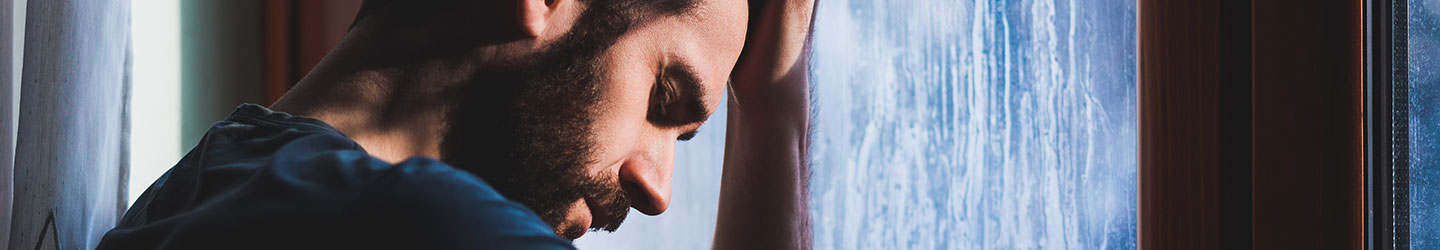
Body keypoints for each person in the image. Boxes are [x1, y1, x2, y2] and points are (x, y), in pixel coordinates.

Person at [96, 0, 813, 249]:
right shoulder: (422, 228)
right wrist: (777, 108)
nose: (657, 189)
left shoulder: (198, 191)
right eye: (663, 99)